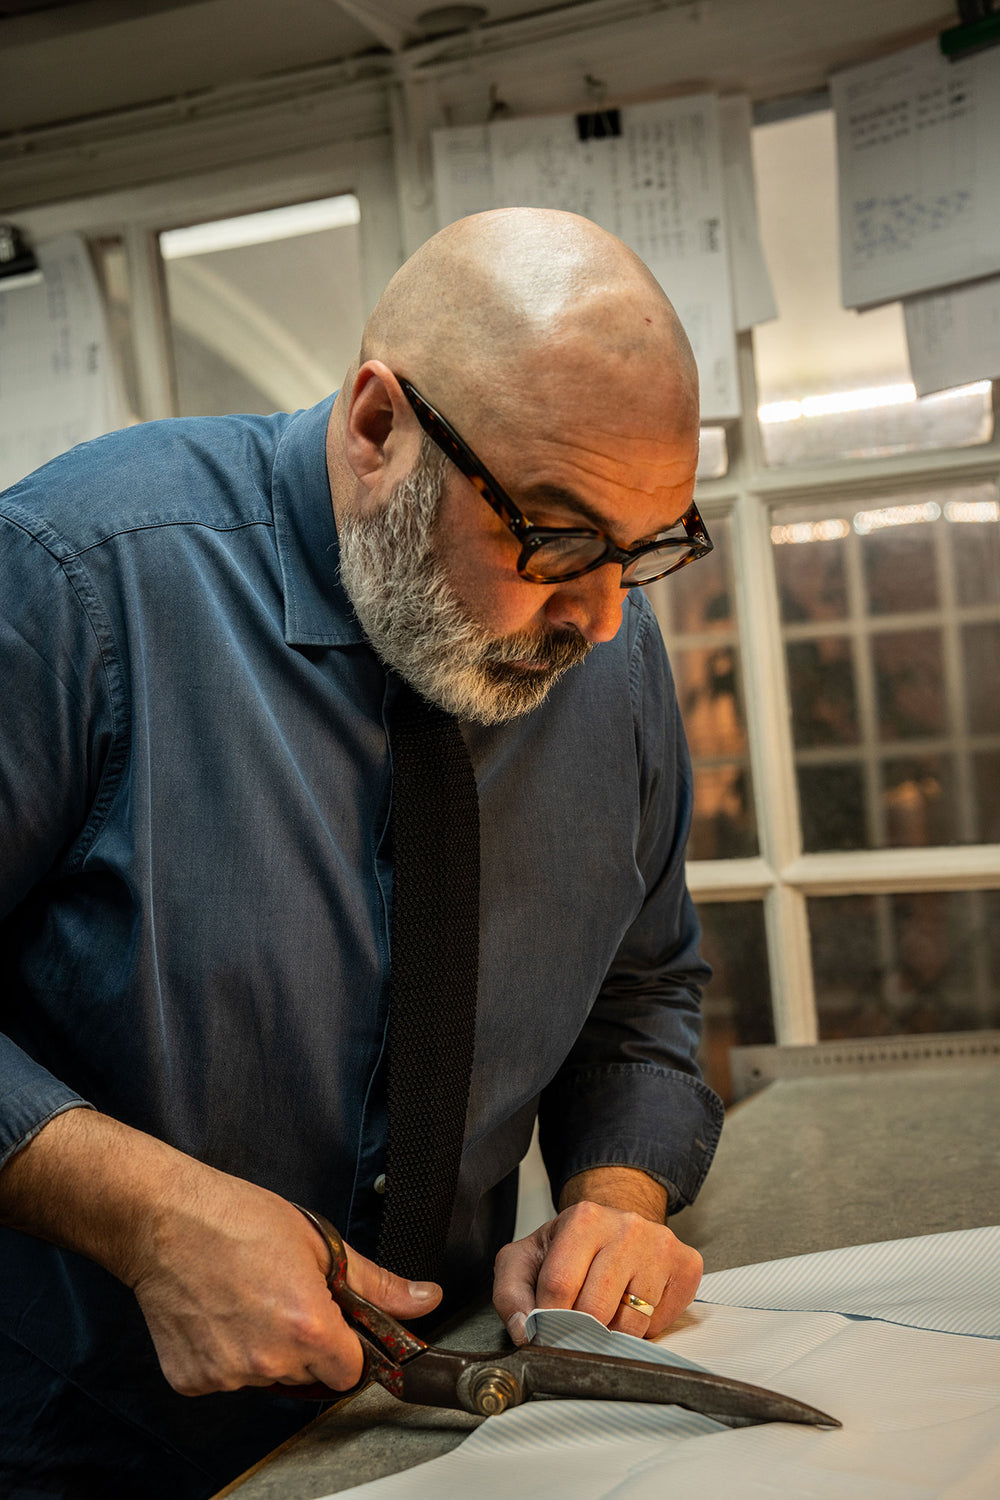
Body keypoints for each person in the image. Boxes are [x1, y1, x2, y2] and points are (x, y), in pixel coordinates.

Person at [0, 207, 723, 1498]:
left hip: (434, 1439)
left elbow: (643, 992)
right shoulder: (72, 580)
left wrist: (620, 1198)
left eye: (646, 549)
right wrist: (147, 1213)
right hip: (73, 1442)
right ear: (380, 426)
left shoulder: (611, 655)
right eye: (554, 536)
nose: (604, 619)